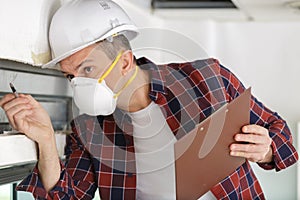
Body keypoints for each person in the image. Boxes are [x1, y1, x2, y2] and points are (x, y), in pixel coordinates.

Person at [0, 0, 298, 199]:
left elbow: (280, 133)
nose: (80, 84)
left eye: (87, 69)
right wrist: (46, 141)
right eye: (71, 77)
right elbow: (65, 196)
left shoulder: (208, 80)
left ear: (125, 61)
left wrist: (267, 150)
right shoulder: (89, 130)